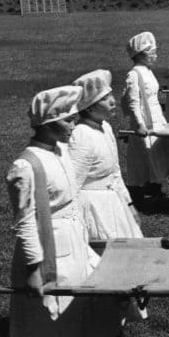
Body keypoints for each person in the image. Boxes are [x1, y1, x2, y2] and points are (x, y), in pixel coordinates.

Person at [5, 86, 123, 337]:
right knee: (45, 320)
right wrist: (34, 269)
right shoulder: (26, 166)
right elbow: (25, 223)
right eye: (68, 119)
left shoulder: (61, 151)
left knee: (73, 312)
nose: (75, 124)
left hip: (73, 242)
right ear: (48, 123)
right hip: (49, 250)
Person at [68, 69, 143, 240]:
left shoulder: (105, 127)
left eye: (111, 95)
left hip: (113, 203)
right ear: (89, 108)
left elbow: (115, 172)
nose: (113, 101)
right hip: (92, 208)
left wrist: (129, 204)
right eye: (104, 99)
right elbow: (72, 184)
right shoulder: (81, 135)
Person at [122, 31, 169, 203]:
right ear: (140, 55)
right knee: (145, 153)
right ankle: (142, 188)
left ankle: (154, 185)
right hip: (144, 119)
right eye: (151, 53)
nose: (155, 56)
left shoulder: (147, 71)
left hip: (156, 116)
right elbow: (133, 102)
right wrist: (139, 124)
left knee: (158, 151)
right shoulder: (134, 74)